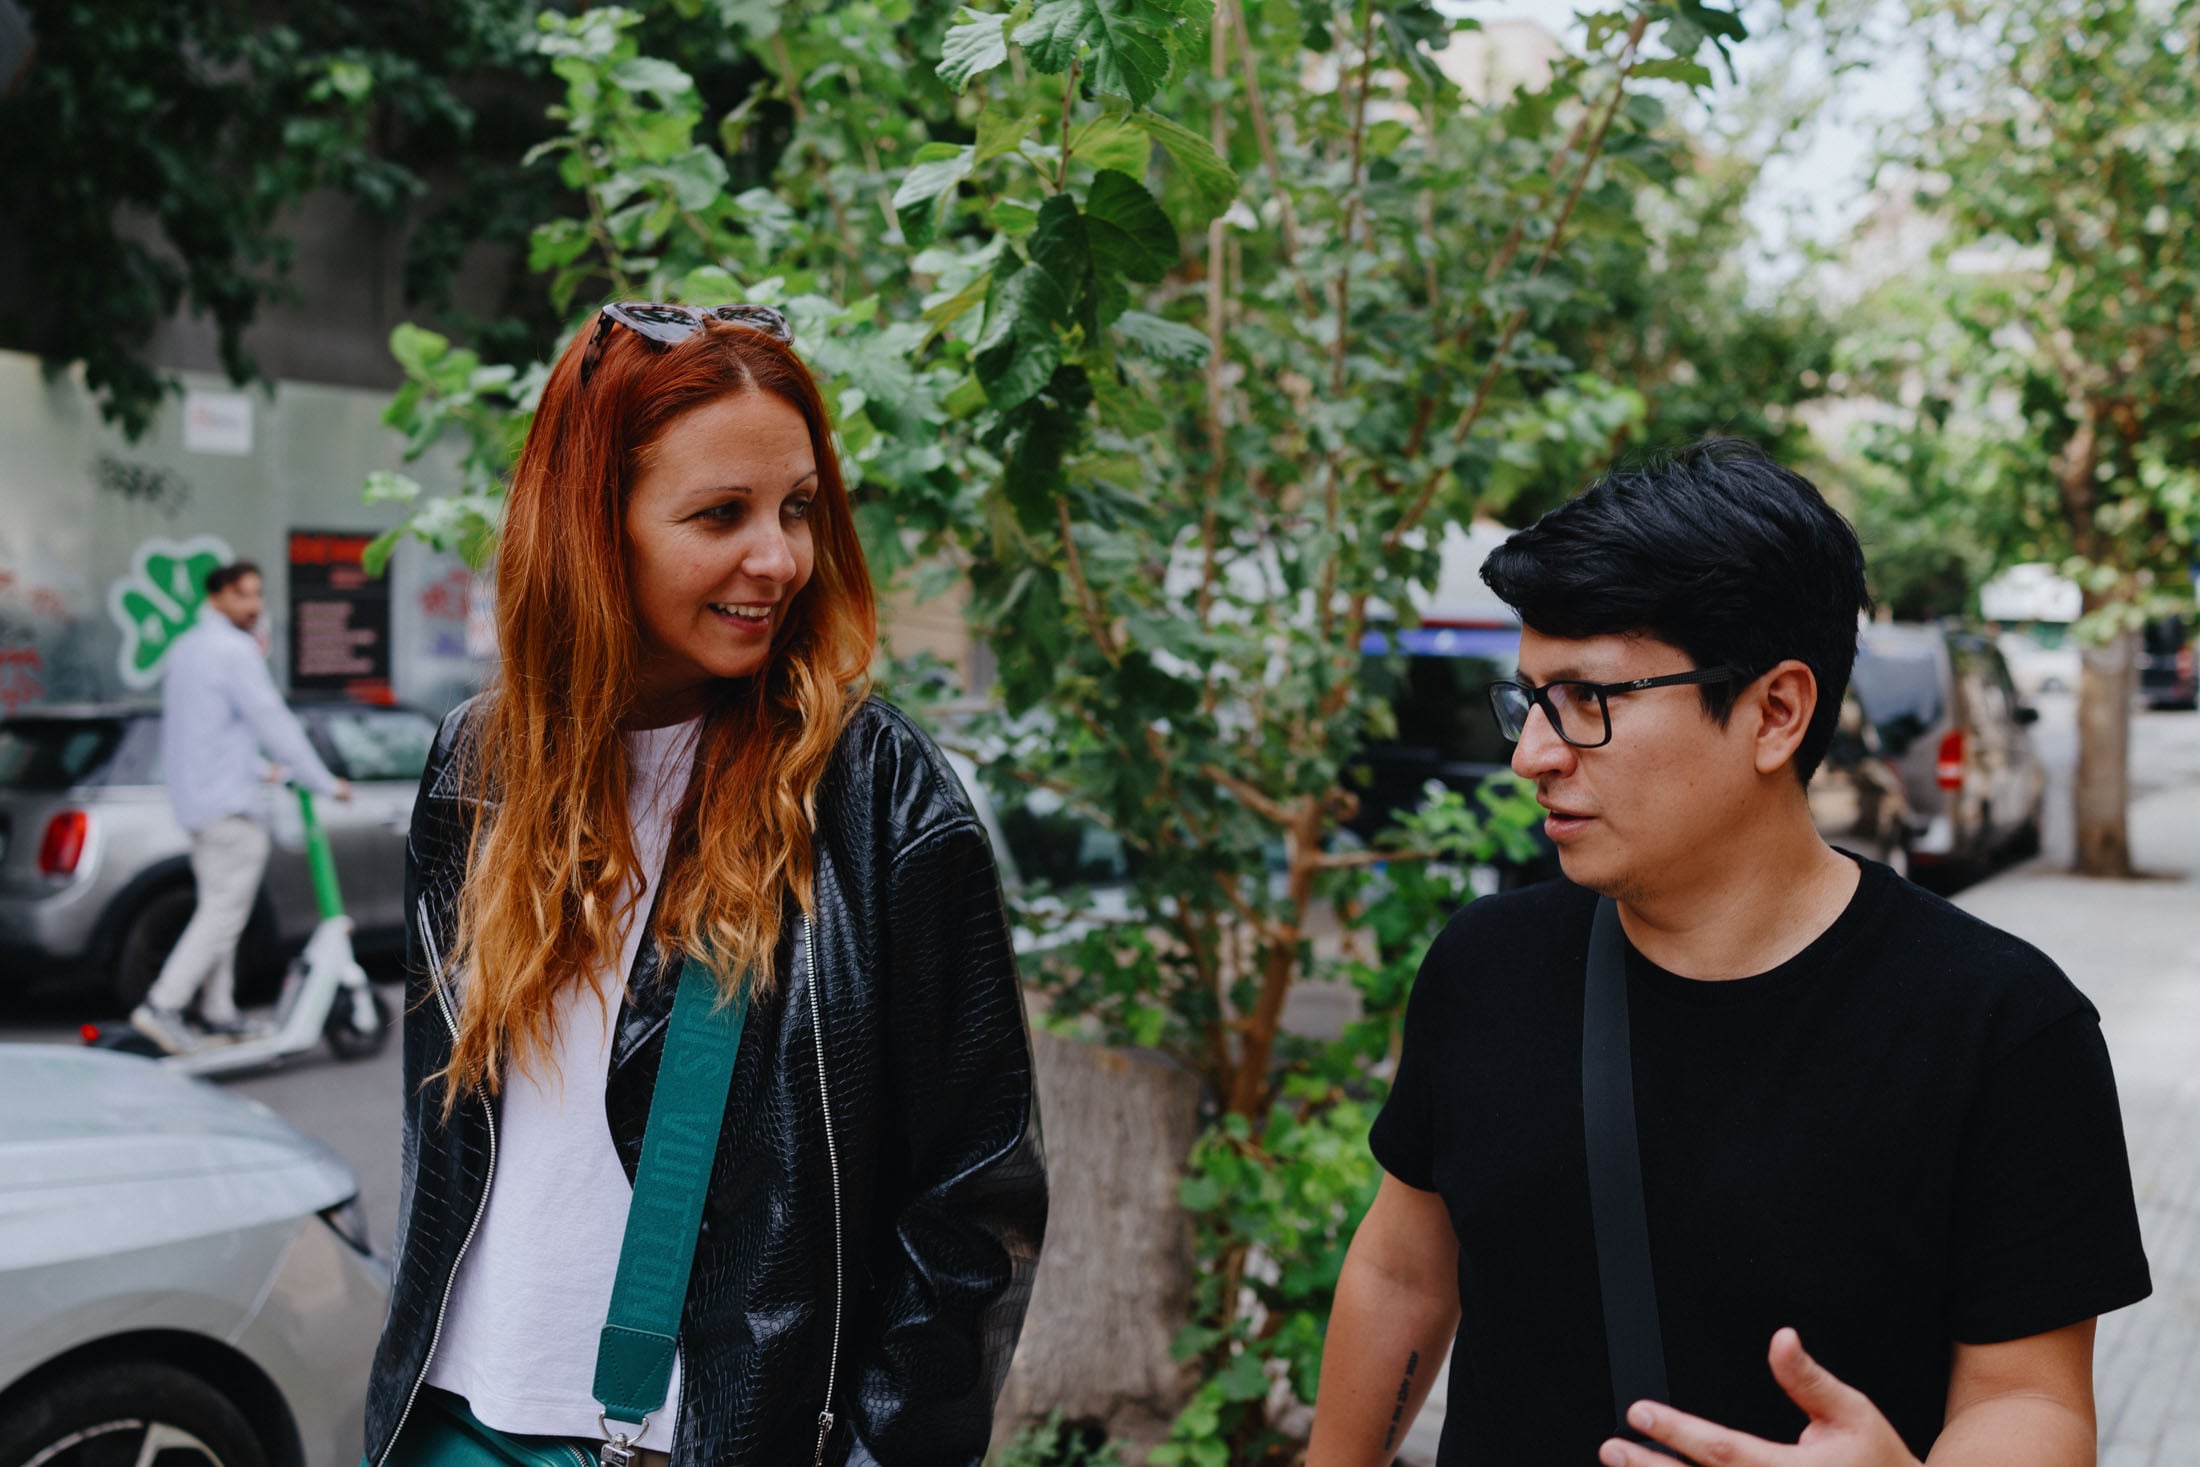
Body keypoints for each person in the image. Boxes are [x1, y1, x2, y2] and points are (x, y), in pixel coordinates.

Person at [1309, 439, 2149, 1467]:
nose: (1531, 753)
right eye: (1529, 700)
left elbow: (2032, 1400)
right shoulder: (1485, 969)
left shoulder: (2002, 1028)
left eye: (1587, 702)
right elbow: (1404, 1272)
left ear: (1774, 712)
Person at [361, 302, 1046, 1467]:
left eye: (796, 509)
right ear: (593, 528)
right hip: (449, 1418)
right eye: (718, 514)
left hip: (702, 1442)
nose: (777, 558)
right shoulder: (477, 769)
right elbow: (456, 1142)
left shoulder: (876, 798)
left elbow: (971, 1207)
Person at [131, 559, 351, 1052]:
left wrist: (259, 769)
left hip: (200, 802)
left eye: (258, 595)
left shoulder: (188, 649)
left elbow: (204, 732)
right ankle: (163, 1006)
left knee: (221, 910)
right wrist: (323, 782)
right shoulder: (232, 652)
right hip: (229, 807)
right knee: (222, 914)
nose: (255, 606)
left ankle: (218, 1012)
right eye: (244, 596)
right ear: (217, 598)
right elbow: (274, 722)